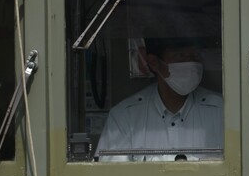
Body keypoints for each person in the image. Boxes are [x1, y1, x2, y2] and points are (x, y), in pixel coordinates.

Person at [95, 37, 223, 161]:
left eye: (196, 55)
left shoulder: (222, 112)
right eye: (181, 55)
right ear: (153, 62)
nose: (191, 63)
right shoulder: (125, 116)